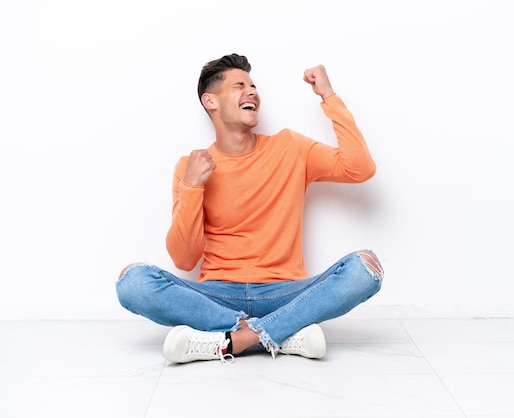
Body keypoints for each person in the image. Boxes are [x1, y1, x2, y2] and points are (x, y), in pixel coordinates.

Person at [116, 53, 384, 364]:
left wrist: (328, 96)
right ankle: (282, 334)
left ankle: (237, 339)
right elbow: (184, 258)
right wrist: (192, 187)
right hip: (217, 296)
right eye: (239, 85)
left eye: (253, 85)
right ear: (211, 101)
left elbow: (360, 168)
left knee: (366, 268)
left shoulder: (290, 147)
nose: (252, 91)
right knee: (132, 282)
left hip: (284, 293)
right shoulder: (189, 168)